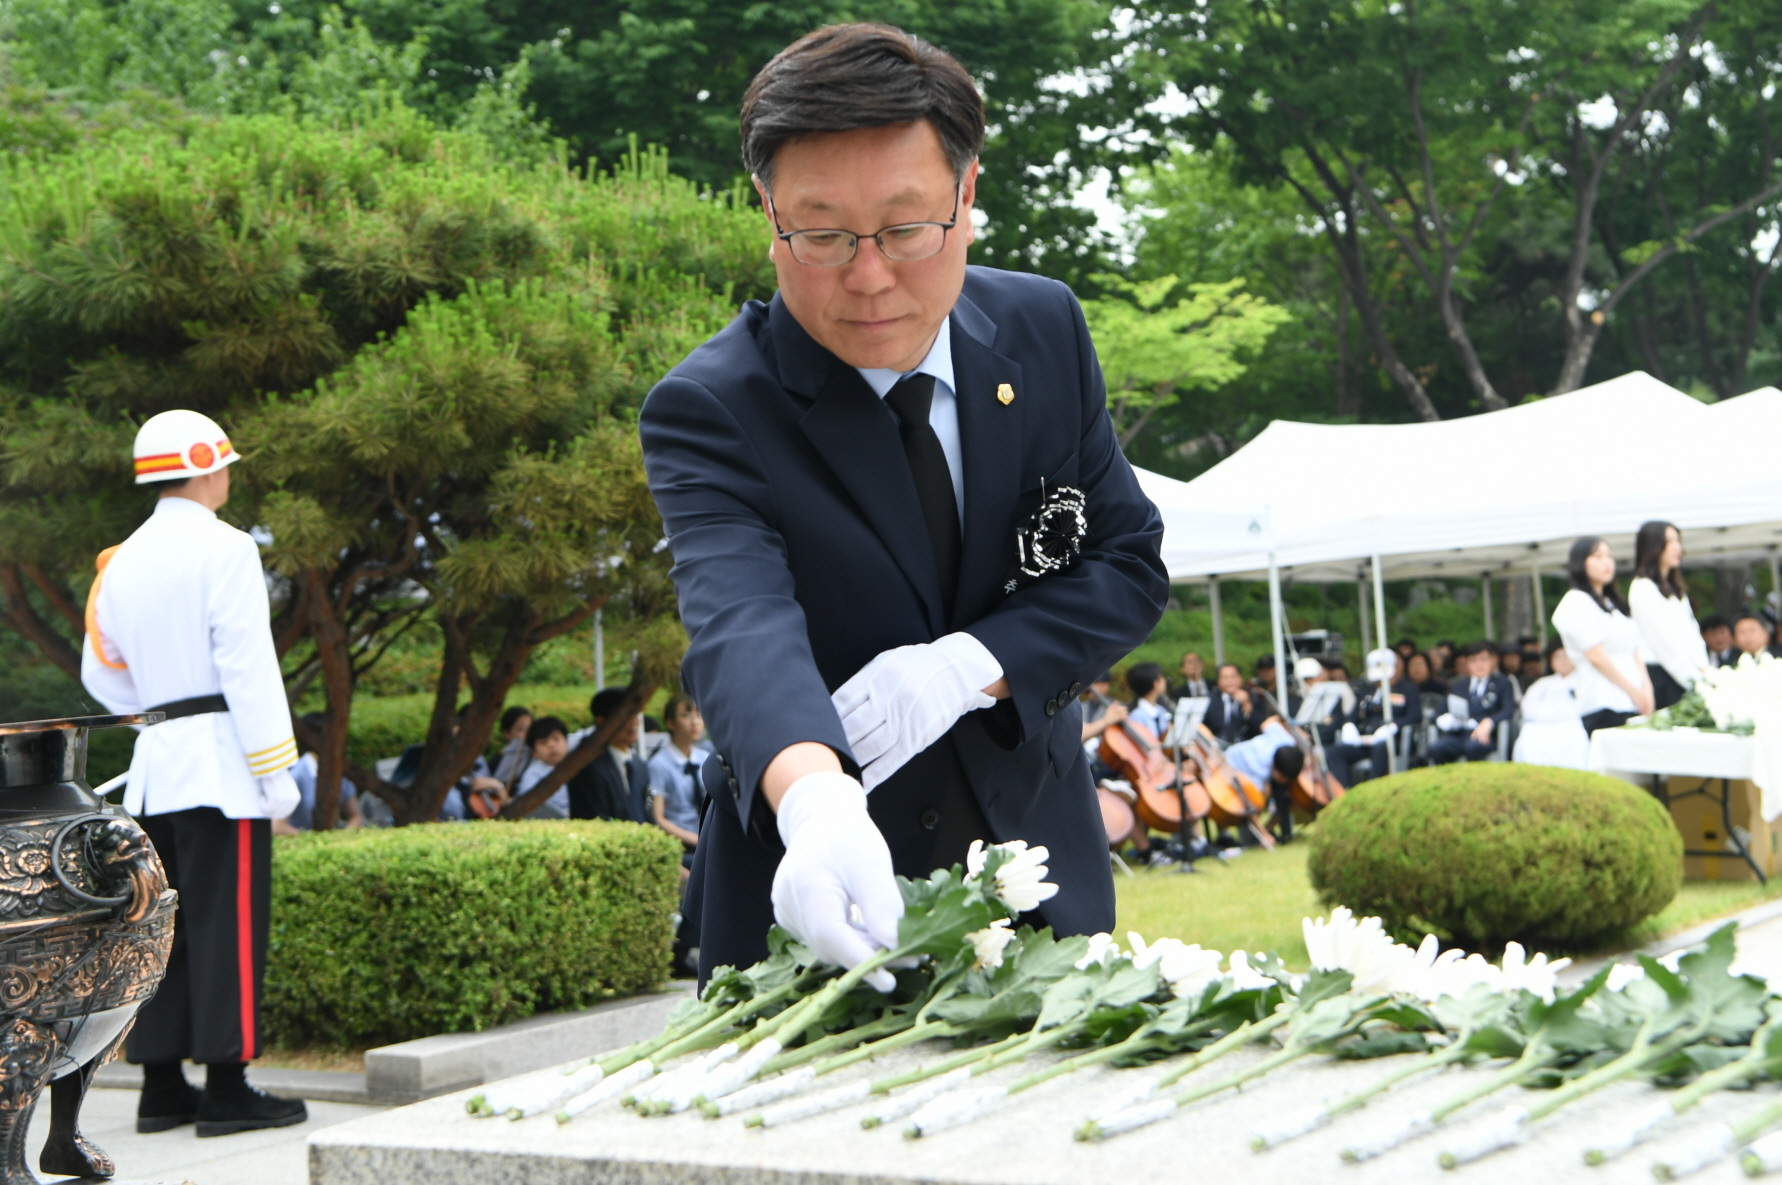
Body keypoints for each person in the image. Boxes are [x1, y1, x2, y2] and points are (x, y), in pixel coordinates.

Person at [638, 25, 1167, 983]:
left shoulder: (1042, 330)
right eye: (823, 233)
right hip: (816, 903)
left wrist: (972, 665)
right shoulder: (714, 404)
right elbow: (739, 619)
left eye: (905, 228)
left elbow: (1125, 561)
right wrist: (814, 802)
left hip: (1040, 880)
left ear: (966, 197)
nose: (868, 275)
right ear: (768, 211)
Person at [80, 409, 308, 1137]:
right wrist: (278, 775)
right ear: (207, 465)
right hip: (220, 761)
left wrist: (159, 709)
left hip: (156, 762)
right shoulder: (228, 547)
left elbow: (102, 674)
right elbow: (248, 665)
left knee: (159, 926)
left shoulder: (120, 559)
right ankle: (229, 1087)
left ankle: (161, 1084)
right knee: (226, 924)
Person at [1551, 536, 1654, 734]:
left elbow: (1634, 651)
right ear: (1580, 563)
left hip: (1634, 701)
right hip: (1603, 700)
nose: (1606, 562)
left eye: (1609, 556)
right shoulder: (1575, 602)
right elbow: (1595, 655)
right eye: (1597, 556)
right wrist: (1633, 691)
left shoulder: (1614, 604)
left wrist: (1647, 690)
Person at [1628, 520, 1708, 710]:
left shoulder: (1675, 588)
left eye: (1678, 541)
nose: (1677, 548)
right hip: (1663, 677)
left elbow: (1692, 633)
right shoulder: (1643, 588)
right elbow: (1663, 644)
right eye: (1669, 542)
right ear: (1653, 547)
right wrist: (1695, 682)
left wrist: (1704, 670)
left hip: (1688, 675)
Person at [1326, 652, 1421, 787]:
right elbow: (1353, 715)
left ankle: (1373, 789)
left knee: (1380, 748)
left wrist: (1394, 726)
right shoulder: (1367, 691)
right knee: (1334, 752)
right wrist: (1349, 725)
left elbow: (1415, 716)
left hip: (1391, 741)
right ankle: (1343, 793)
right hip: (1366, 739)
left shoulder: (1407, 689)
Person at [567, 688, 650, 822]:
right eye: (626, 715)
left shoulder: (638, 764)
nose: (634, 722)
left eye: (636, 714)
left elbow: (645, 813)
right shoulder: (588, 767)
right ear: (602, 721)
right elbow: (595, 820)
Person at [1429, 641, 1517, 763]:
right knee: (1437, 748)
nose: (1478, 664)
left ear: (1493, 660)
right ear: (1466, 663)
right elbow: (1439, 712)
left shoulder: (1502, 683)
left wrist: (1490, 722)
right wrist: (1445, 720)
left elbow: (1508, 710)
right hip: (1459, 734)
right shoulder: (1458, 685)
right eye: (1473, 660)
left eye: (1483, 659)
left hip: (1486, 736)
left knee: (1473, 747)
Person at [277, 713, 363, 834]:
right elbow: (277, 826)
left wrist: (343, 837)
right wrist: (313, 839)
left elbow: (355, 816)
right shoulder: (297, 774)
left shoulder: (340, 768)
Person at [647, 695, 707, 862]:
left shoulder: (705, 759)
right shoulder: (659, 764)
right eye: (685, 715)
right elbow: (658, 818)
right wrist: (697, 840)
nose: (694, 722)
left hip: (708, 838)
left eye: (698, 714)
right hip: (681, 844)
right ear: (670, 723)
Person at [1512, 640, 1589, 769]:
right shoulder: (1542, 683)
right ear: (1550, 660)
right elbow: (1527, 707)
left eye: (1566, 655)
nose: (1562, 660)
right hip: (1541, 725)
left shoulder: (1585, 681)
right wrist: (1550, 714)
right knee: (1528, 736)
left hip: (1573, 725)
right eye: (1557, 656)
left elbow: (1584, 706)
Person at [515, 716, 574, 818]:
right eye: (543, 742)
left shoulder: (581, 766)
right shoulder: (532, 776)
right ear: (534, 752)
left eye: (556, 739)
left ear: (566, 742)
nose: (551, 745)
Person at [1204, 662, 1264, 744]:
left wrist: (1247, 704)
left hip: (1246, 745)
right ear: (1218, 681)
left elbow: (1260, 727)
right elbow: (1201, 725)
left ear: (1240, 678)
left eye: (1233, 676)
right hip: (1217, 746)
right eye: (1225, 678)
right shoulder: (1210, 700)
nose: (1230, 681)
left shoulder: (1253, 698)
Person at [1126, 662, 1171, 739]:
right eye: (1161, 677)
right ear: (1155, 684)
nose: (1164, 680)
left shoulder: (1161, 710)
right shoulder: (1136, 716)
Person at [492, 706, 533, 789]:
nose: (528, 734)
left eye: (531, 729)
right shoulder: (497, 762)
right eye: (521, 729)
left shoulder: (537, 755)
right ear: (507, 733)